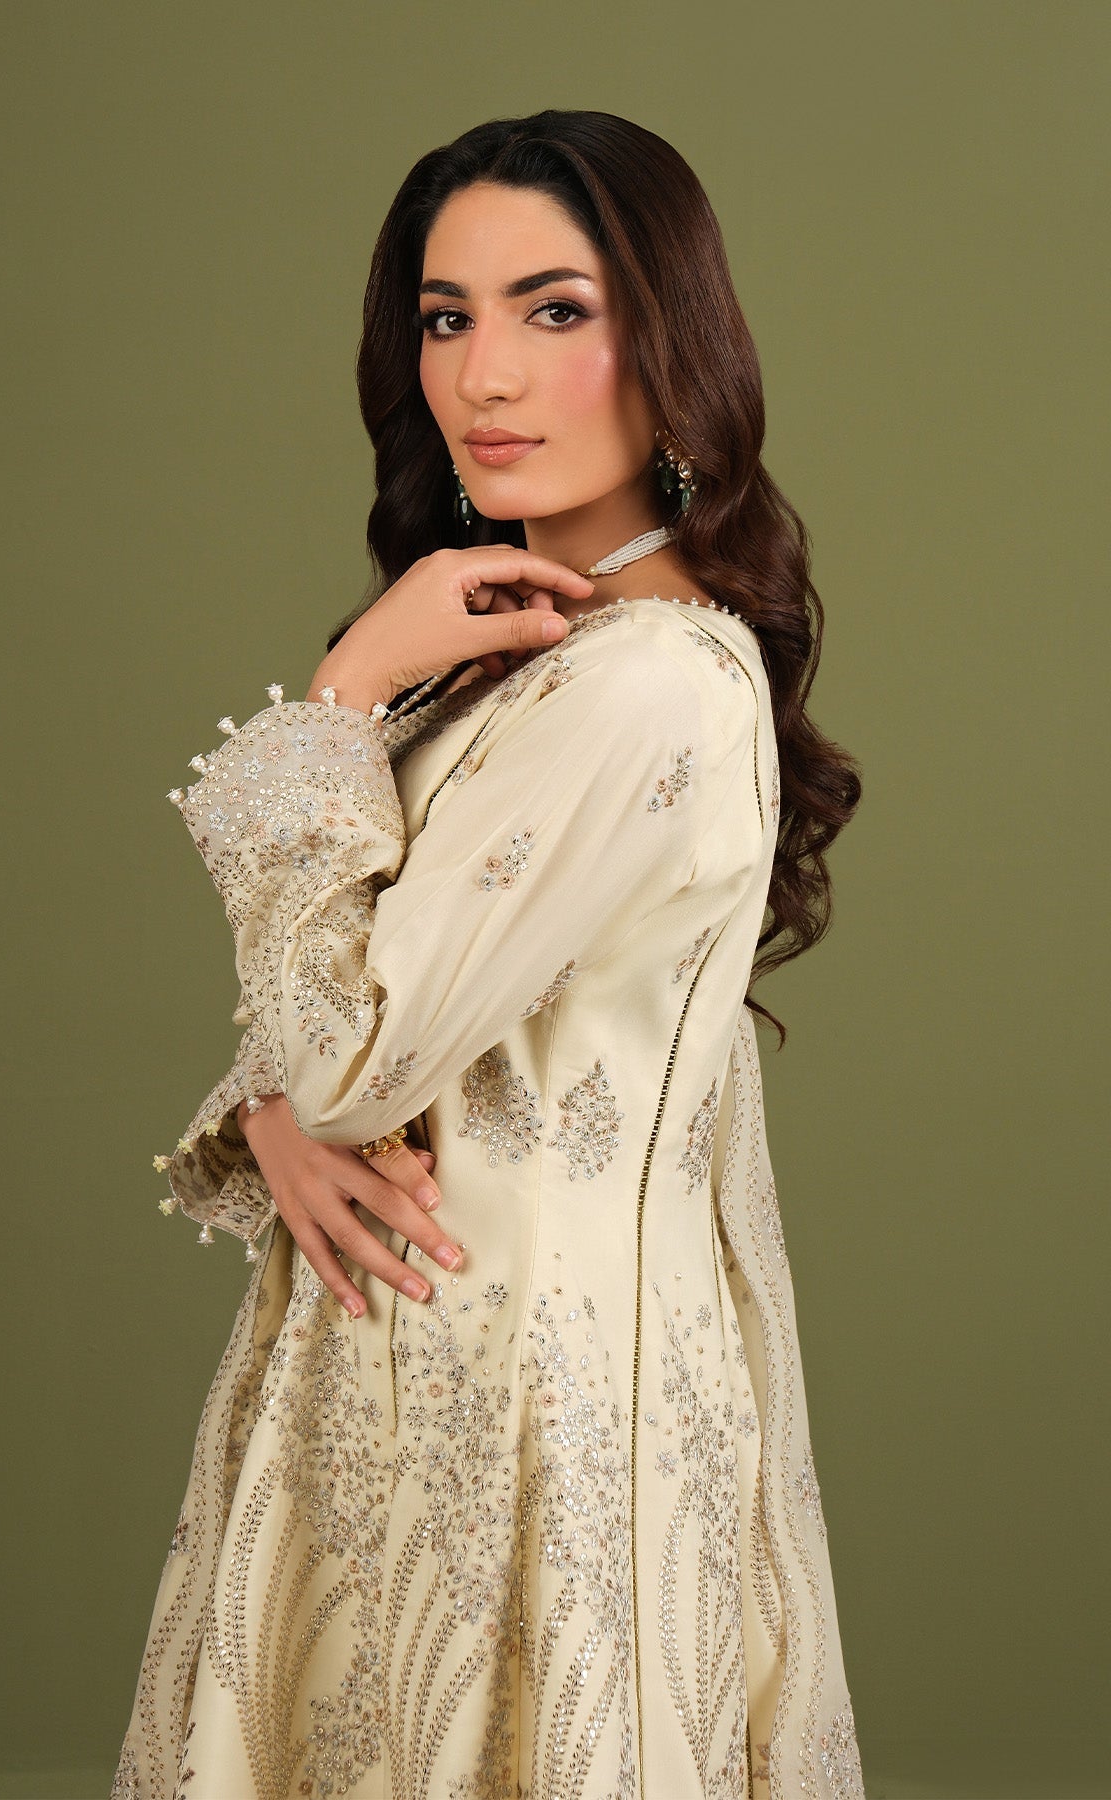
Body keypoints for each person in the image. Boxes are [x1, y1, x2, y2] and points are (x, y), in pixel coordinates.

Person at [114, 110, 866, 1800]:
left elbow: (355, 1044)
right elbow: (378, 1016)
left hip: (533, 1400)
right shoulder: (534, 652)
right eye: (447, 318)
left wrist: (336, 700)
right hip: (407, 1359)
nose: (485, 376)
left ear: (673, 344)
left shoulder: (650, 679)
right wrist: (277, 1116)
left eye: (555, 310)